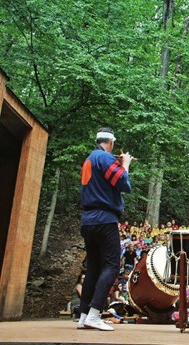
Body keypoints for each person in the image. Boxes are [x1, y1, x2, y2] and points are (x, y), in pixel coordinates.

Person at [77, 128, 133, 331]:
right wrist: (125, 164)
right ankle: (94, 314)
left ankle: (84, 315)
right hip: (104, 218)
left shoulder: (90, 159)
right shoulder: (105, 157)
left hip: (88, 220)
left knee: (93, 267)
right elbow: (124, 183)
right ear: (111, 142)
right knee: (111, 265)